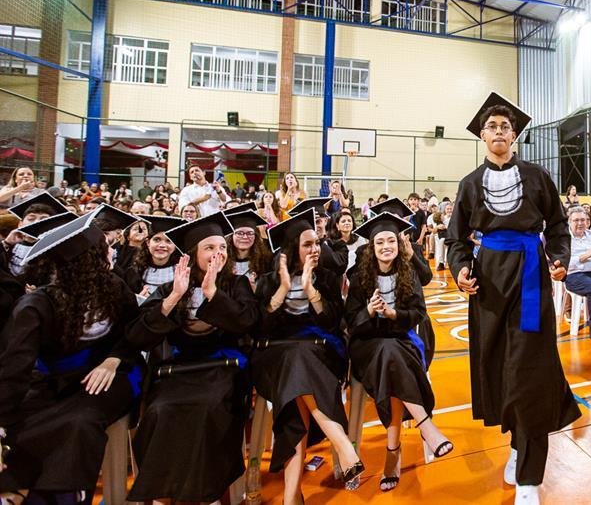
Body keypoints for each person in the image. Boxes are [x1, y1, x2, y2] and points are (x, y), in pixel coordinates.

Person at [446, 93, 579, 504]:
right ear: (482, 136)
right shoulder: (469, 184)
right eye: (492, 127)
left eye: (506, 126)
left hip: (530, 276)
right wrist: (460, 270)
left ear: (514, 134)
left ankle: (528, 477)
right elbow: (456, 240)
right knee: (499, 369)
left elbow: (558, 228)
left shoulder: (538, 177)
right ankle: (517, 443)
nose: (499, 132)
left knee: (530, 374)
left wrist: (559, 259)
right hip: (487, 283)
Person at [0, 211, 143, 502]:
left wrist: (112, 360)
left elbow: (133, 335)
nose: (112, 253)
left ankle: (61, 495)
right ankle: (28, 493)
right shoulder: (36, 305)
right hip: (55, 379)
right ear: (89, 261)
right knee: (22, 422)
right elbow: (15, 369)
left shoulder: (115, 287)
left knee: (80, 420)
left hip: (112, 373)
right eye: (105, 249)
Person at [125, 212, 259, 503]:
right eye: (209, 248)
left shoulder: (236, 285)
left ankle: (206, 493)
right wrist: (174, 297)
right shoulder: (171, 287)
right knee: (160, 411)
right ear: (192, 254)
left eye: (222, 247)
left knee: (209, 408)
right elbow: (137, 335)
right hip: (176, 370)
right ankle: (163, 493)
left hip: (222, 368)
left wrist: (213, 293)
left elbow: (247, 322)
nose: (218, 253)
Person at [252, 210, 364, 499]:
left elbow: (333, 322)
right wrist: (283, 290)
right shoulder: (270, 280)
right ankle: (341, 442)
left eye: (317, 242)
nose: (316, 248)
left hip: (320, 352)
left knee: (297, 381)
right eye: (308, 244)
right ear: (293, 248)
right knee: (295, 361)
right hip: (276, 357)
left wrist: (310, 290)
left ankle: (291, 495)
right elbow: (261, 326)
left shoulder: (325, 277)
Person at [346, 212, 453, 491]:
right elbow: (350, 322)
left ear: (398, 243)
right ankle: (425, 424)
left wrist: (394, 314)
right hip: (367, 344)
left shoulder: (408, 272)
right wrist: (369, 311)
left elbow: (418, 313)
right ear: (371, 247)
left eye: (391, 241)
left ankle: (392, 453)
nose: (386, 246)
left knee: (391, 356)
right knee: (388, 352)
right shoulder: (359, 277)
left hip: (400, 339)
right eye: (380, 242)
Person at [565, 206, 591, 342]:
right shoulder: (565, 238)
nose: (580, 223)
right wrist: (585, 256)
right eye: (576, 220)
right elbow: (566, 263)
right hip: (573, 275)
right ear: (569, 221)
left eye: (583, 220)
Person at [226, 209, 272, 289]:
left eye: (250, 233)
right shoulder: (223, 261)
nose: (245, 237)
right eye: (239, 233)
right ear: (231, 236)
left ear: (255, 237)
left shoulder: (265, 261)